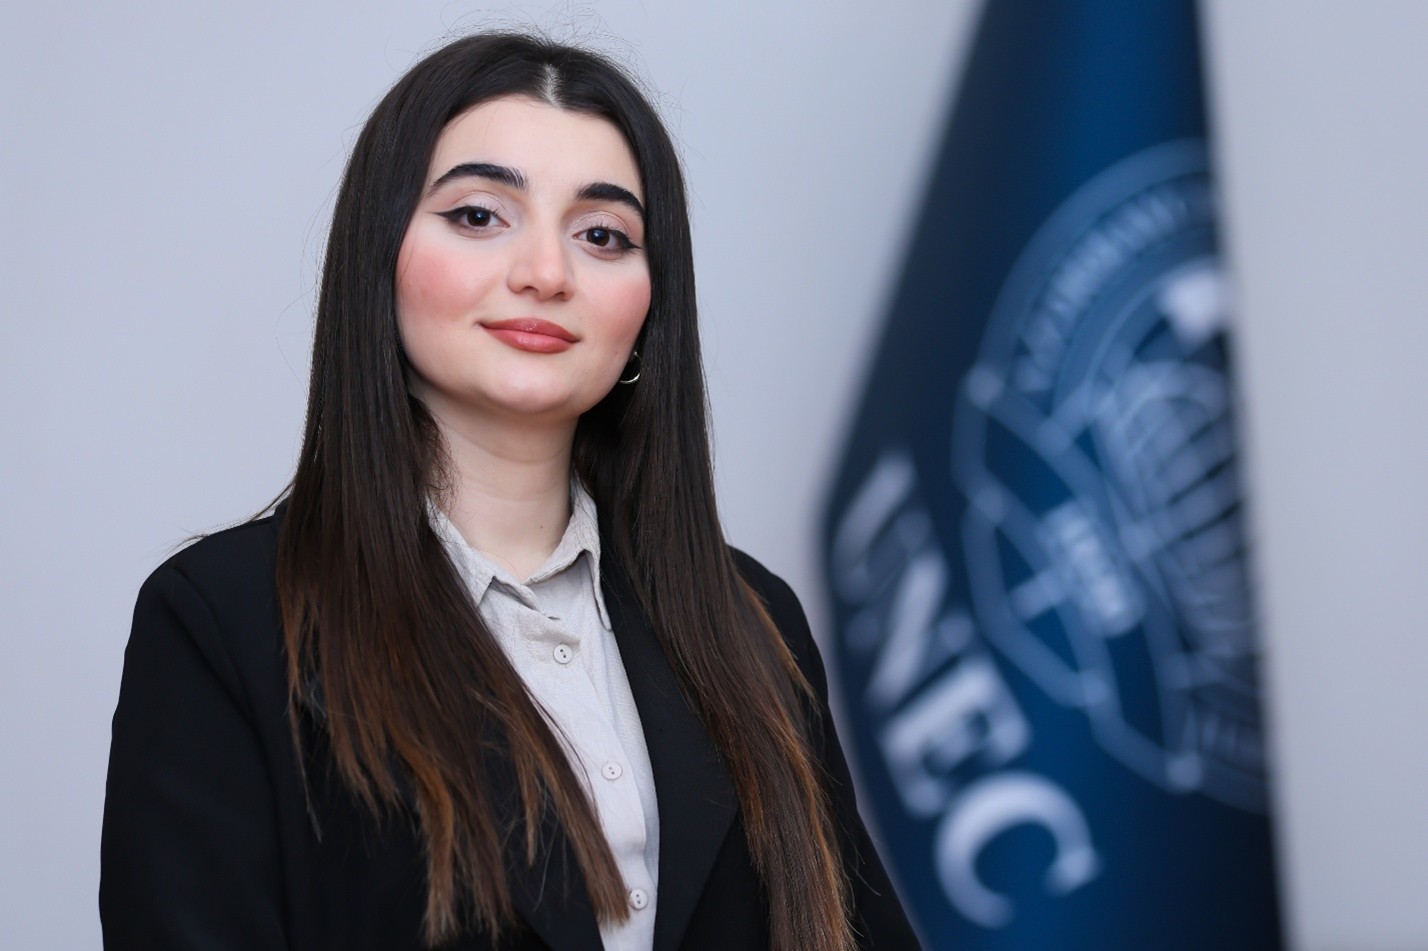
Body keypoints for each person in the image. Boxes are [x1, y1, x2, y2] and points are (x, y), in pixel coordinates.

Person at [100, 32, 920, 951]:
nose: (546, 273)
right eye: (480, 215)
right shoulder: (226, 622)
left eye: (602, 235)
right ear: (381, 254)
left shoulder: (751, 618)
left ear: (651, 303)